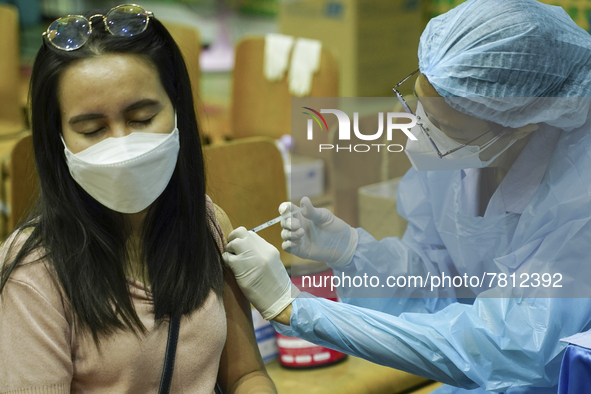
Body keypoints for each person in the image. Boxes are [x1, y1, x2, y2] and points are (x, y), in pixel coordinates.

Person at [222, 0, 591, 393]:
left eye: (443, 125)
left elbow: (508, 350)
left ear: (522, 126)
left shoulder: (578, 201)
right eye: (417, 105)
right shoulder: (467, 150)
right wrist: (354, 252)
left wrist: (295, 308)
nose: (418, 134)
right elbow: (440, 284)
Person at [0, 5, 276, 393]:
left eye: (143, 119)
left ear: (178, 111)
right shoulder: (33, 278)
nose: (122, 145)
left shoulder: (208, 224)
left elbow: (246, 375)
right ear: (57, 141)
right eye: (92, 129)